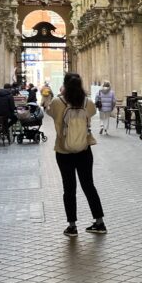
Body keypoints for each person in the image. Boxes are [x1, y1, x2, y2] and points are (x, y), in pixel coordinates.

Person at [48, 73, 107, 237]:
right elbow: (93, 112)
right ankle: (99, 222)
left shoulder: (57, 102)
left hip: (63, 150)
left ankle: (72, 226)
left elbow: (49, 111)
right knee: (89, 185)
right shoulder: (87, 102)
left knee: (69, 188)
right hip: (84, 149)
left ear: (65, 85)